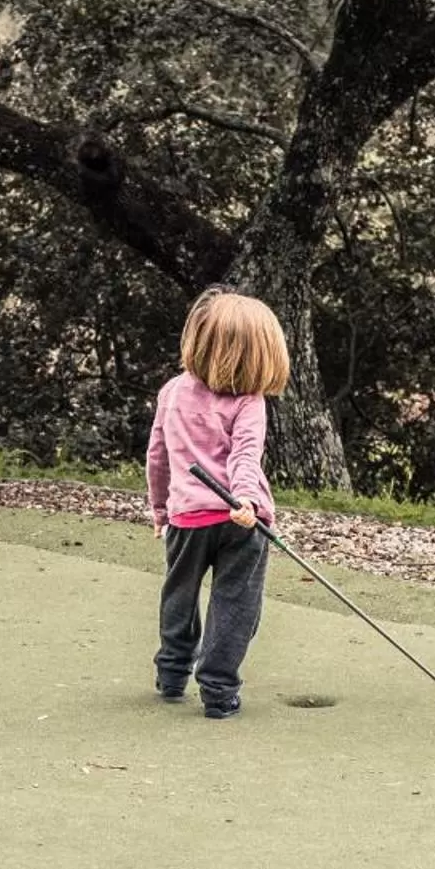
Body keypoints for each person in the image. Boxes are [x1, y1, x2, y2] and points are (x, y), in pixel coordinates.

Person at [145, 286, 288, 720]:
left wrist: (159, 509)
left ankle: (172, 674)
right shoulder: (249, 401)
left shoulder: (172, 391)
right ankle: (219, 691)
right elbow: (246, 456)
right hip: (243, 523)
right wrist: (245, 499)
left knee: (179, 594)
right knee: (236, 602)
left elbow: (157, 456)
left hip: (188, 517)